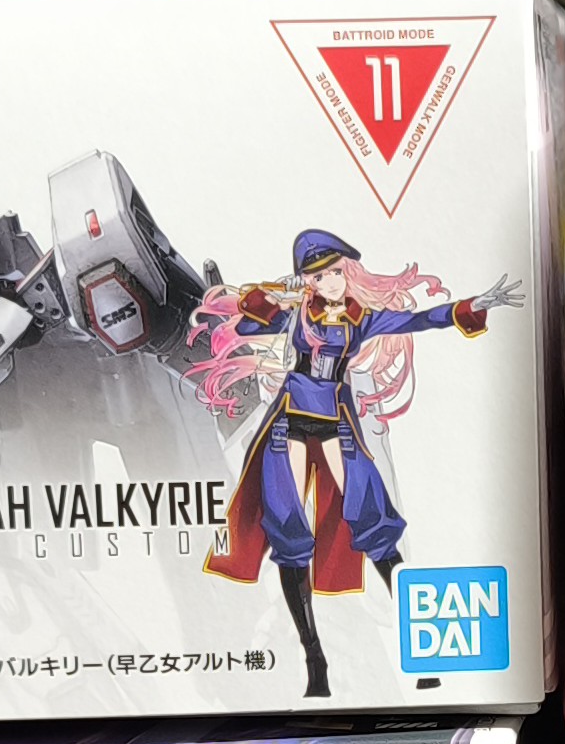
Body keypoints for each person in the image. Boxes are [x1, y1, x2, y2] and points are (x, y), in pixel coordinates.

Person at [196, 228, 521, 697]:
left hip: (335, 422)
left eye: (335, 272)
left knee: (375, 527)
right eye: (319, 276)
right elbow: (248, 321)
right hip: (289, 422)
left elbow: (418, 319)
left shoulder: (360, 318)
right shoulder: (295, 315)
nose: (330, 282)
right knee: (289, 535)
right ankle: (315, 660)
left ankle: (422, 650)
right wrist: (276, 295)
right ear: (307, 280)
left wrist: (469, 306)